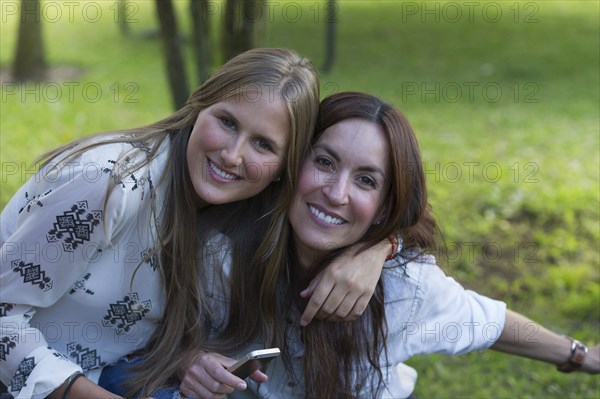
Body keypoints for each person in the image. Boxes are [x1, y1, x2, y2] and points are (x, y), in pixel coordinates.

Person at [148, 92, 598, 398]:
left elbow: (491, 322)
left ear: (384, 206)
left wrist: (581, 356)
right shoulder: (223, 255)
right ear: (292, 163)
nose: (336, 192)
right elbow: (154, 340)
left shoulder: (403, 287)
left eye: (366, 180)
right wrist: (190, 362)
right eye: (324, 162)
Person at [0, 51, 391, 399]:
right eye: (227, 121)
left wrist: (378, 248)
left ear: (282, 170)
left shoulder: (246, 210)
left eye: (263, 145)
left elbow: (370, 207)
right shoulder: (108, 185)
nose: (232, 155)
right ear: (198, 106)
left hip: (111, 373)